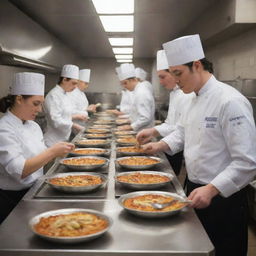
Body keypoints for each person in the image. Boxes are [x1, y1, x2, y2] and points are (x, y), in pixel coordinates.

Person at [141, 34, 256, 256]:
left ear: (196, 65)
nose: (175, 80)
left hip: (223, 196)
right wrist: (159, 146)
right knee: (197, 249)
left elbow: (247, 161)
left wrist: (212, 189)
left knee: (224, 250)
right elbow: (183, 133)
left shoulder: (230, 102)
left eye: (178, 74)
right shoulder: (193, 99)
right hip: (195, 189)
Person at [0, 72, 75, 224]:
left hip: (35, 190)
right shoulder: (4, 129)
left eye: (41, 103)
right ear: (19, 99)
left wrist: (60, 151)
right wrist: (53, 151)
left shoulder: (33, 125)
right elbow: (19, 170)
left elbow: (39, 155)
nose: (40, 109)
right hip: (11, 198)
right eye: (36, 103)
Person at [137, 50, 193, 175]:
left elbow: (182, 130)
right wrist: (153, 132)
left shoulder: (187, 94)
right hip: (173, 145)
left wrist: (159, 142)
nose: (161, 82)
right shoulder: (175, 93)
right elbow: (173, 124)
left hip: (177, 148)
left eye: (163, 77)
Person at [43, 64, 84, 147]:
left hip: (64, 139)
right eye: (73, 83)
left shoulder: (65, 94)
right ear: (64, 80)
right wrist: (73, 125)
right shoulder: (53, 95)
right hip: (53, 142)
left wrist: (81, 114)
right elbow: (55, 120)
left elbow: (68, 112)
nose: (75, 87)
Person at [117, 63, 155, 132]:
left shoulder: (141, 92)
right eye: (122, 84)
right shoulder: (137, 91)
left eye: (125, 83)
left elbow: (145, 118)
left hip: (144, 133)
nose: (124, 86)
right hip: (139, 131)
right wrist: (129, 120)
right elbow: (136, 113)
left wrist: (131, 126)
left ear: (133, 79)